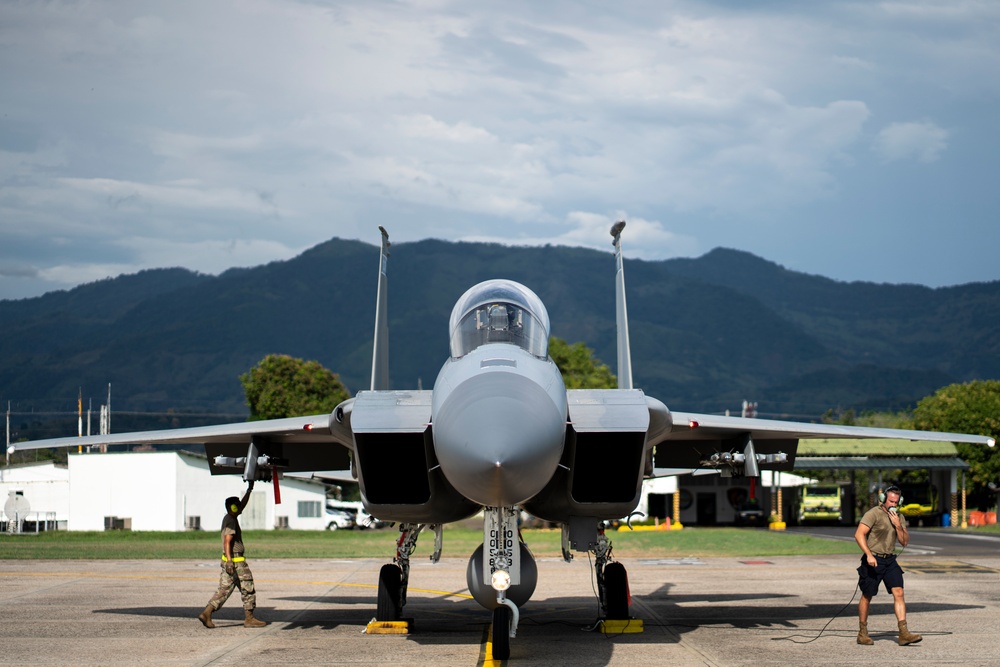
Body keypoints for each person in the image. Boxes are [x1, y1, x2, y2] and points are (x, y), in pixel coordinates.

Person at [854, 485, 921, 646]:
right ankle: (862, 633)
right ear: (883, 499)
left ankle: (903, 633)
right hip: (873, 559)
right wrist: (869, 555)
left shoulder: (898, 516)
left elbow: (904, 542)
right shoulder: (873, 514)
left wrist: (897, 524)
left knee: (899, 592)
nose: (893, 504)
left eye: (896, 502)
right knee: (867, 595)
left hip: (890, 560)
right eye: (890, 501)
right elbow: (859, 534)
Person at [198, 481, 267, 628]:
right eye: (237, 506)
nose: (240, 507)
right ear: (232, 507)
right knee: (247, 587)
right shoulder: (231, 521)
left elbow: (242, 505)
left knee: (224, 589)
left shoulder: (230, 517)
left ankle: (207, 613)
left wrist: (249, 490)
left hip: (230, 561)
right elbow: (227, 542)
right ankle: (249, 619)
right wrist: (230, 561)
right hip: (236, 561)